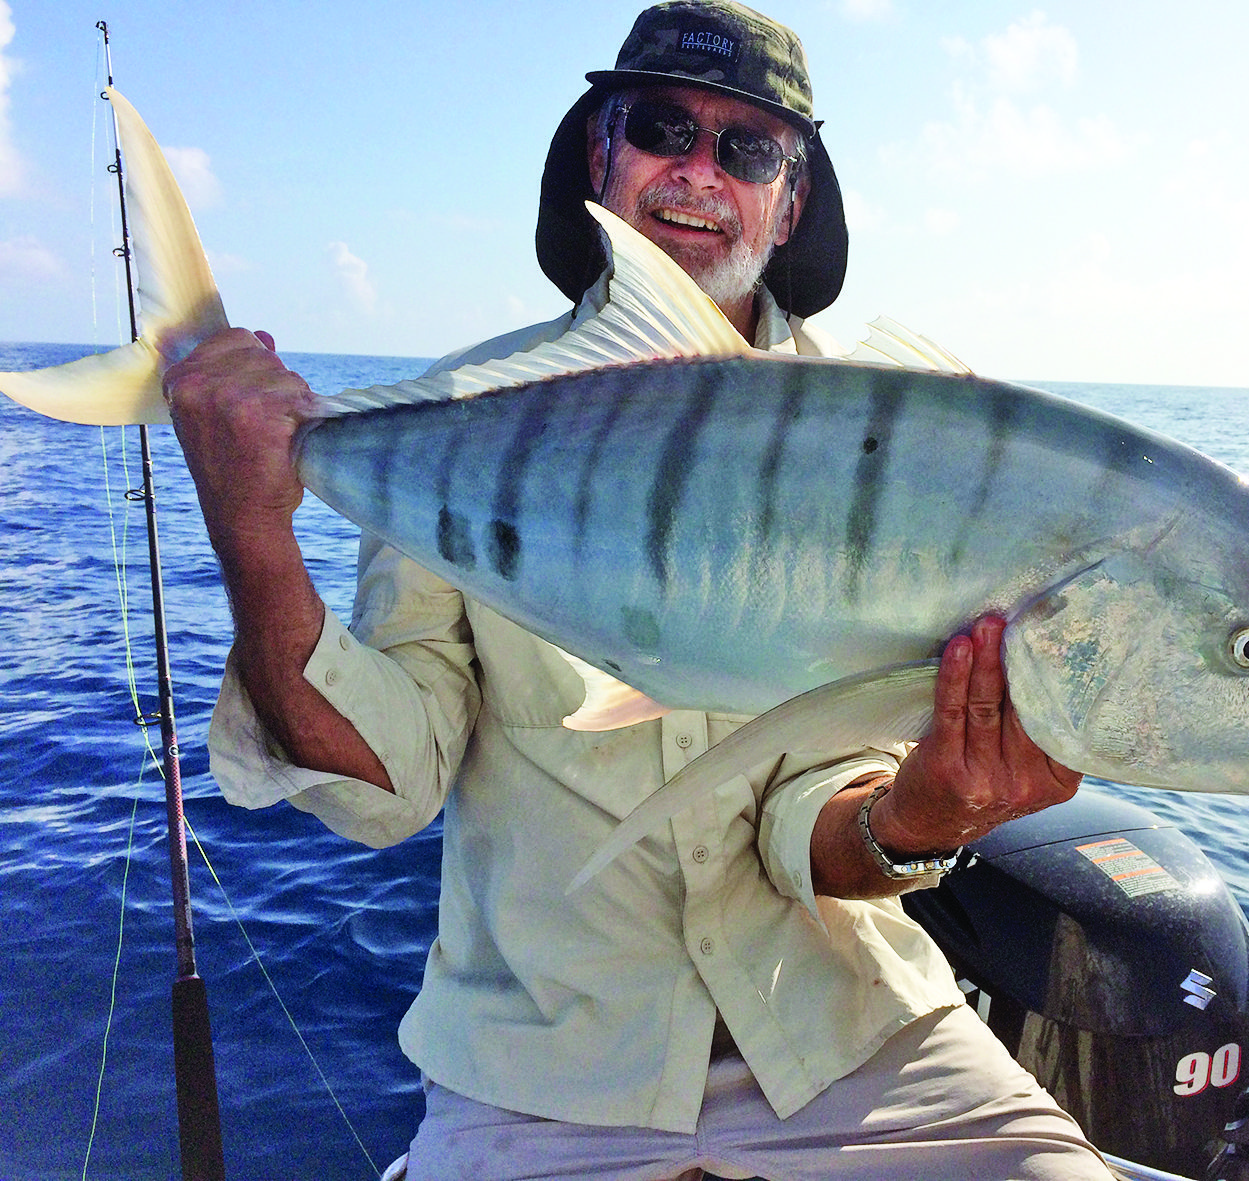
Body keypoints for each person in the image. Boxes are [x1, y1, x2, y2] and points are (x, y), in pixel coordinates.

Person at [164, 3, 1115, 1178]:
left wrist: (930, 810)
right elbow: (392, 782)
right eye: (663, 126)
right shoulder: (461, 419)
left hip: (855, 1038)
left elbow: (811, 815)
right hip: (540, 1078)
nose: (700, 171)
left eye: (748, 148)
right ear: (600, 160)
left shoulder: (891, 447)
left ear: (792, 198)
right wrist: (252, 532)